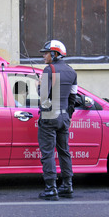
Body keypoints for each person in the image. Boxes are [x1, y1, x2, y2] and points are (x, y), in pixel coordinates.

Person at [37, 40, 78, 200]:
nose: (44, 56)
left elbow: (43, 97)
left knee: (47, 153)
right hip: (64, 117)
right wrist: (67, 115)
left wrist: (38, 86)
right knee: (64, 152)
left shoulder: (49, 70)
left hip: (49, 116)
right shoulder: (71, 72)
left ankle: (51, 189)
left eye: (46, 53)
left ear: (55, 54)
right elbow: (73, 98)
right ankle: (67, 186)